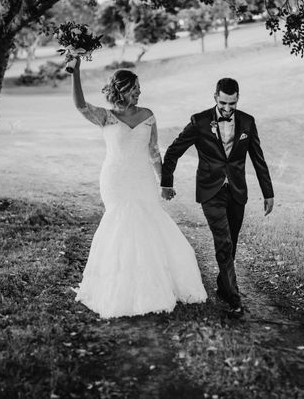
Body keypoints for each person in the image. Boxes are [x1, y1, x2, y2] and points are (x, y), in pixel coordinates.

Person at [70, 57, 207, 318]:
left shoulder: (148, 115)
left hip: (143, 178)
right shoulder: (106, 117)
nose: (139, 92)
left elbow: (154, 151)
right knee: (121, 225)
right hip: (116, 179)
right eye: (135, 88)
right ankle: (119, 287)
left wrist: (164, 182)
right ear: (121, 89)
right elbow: (79, 105)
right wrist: (75, 71)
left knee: (148, 223)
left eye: (140, 88)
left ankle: (155, 286)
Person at [161, 78, 274, 318]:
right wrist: (167, 182)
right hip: (210, 191)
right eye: (223, 103)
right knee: (223, 242)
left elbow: (258, 159)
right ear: (215, 97)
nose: (227, 108)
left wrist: (268, 193)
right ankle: (234, 297)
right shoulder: (200, 121)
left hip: (237, 192)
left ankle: (223, 287)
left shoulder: (247, 122)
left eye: (232, 104)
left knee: (230, 244)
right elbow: (173, 151)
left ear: (237, 99)